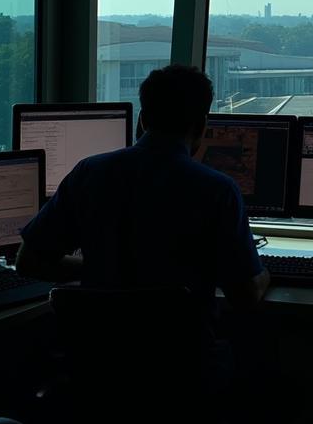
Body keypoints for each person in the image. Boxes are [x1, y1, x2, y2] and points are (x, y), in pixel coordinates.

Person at [16, 63, 269, 312]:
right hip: (185, 351)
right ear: (202, 125)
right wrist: (264, 273)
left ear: (142, 119)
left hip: (97, 349)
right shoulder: (218, 190)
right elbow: (245, 295)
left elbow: (28, 261)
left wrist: (101, 266)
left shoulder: (88, 173)